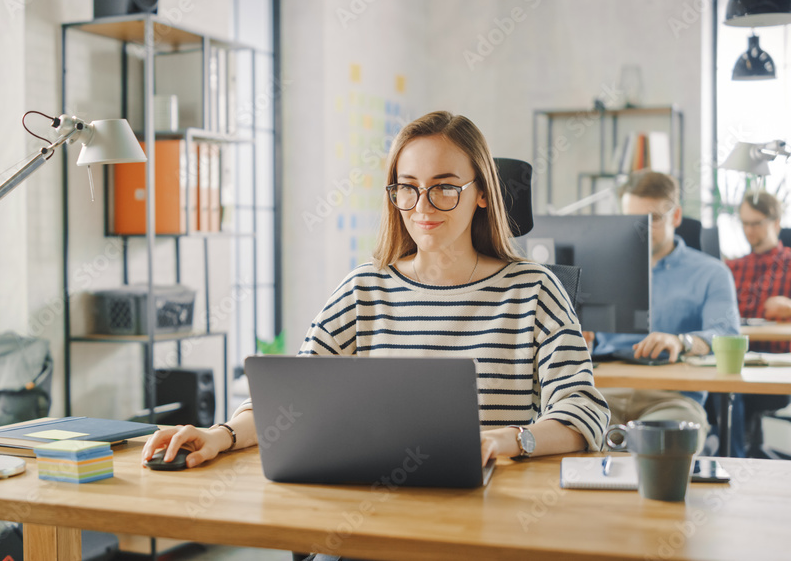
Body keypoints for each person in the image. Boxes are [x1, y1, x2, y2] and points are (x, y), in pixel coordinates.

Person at [143, 111, 610, 472]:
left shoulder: (532, 290)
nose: (422, 206)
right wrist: (220, 435)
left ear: (483, 192)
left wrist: (506, 439)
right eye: (408, 188)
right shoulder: (365, 287)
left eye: (444, 188)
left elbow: (584, 412)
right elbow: (294, 397)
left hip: (486, 512)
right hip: (375, 505)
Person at [588, 170, 741, 452]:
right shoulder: (599, 268)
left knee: (659, 451)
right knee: (568, 442)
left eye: (654, 219)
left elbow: (726, 333)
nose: (642, 229)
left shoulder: (711, 273)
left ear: (677, 216)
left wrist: (681, 341)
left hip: (673, 396)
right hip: (602, 392)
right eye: (632, 219)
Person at [725, 190, 791, 457]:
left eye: (757, 223)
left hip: (777, 364)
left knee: (734, 392)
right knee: (724, 388)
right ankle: (732, 457)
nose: (749, 230)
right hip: (735, 360)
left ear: (775, 223)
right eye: (745, 223)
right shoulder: (731, 267)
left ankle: (736, 459)